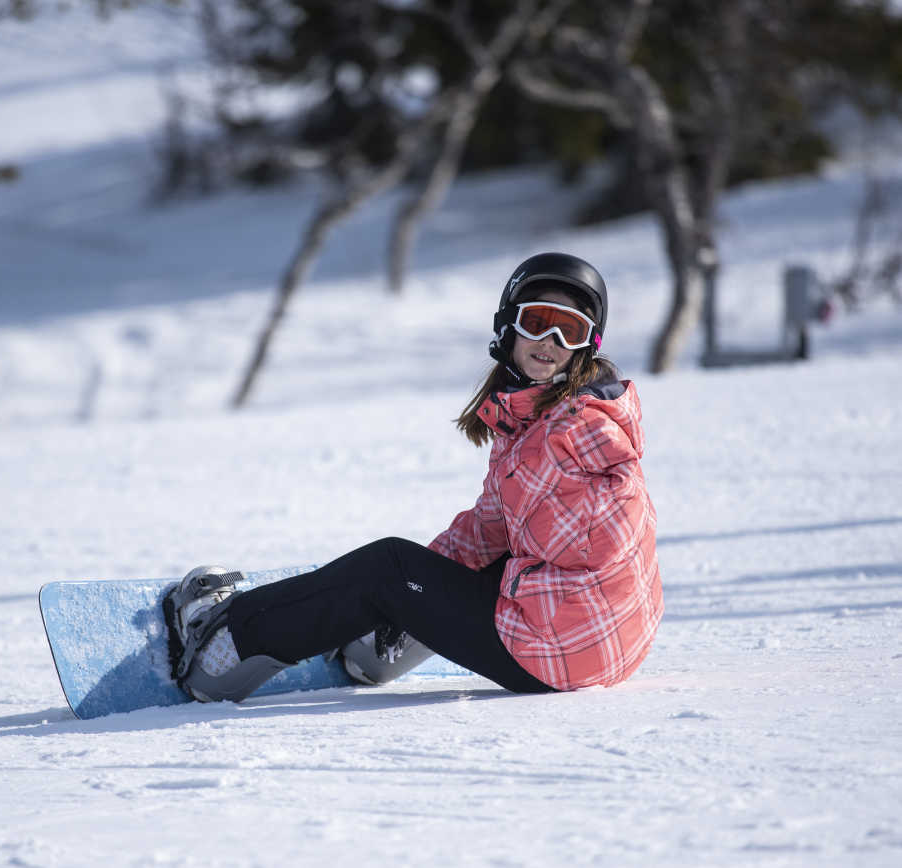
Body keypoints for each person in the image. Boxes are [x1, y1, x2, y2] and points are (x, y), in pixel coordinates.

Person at [165, 252, 663, 702]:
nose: (550, 343)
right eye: (537, 323)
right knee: (436, 566)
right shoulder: (545, 419)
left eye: (568, 331)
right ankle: (377, 649)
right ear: (509, 327)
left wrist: (405, 585)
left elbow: (605, 523)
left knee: (386, 567)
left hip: (562, 648)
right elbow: (491, 526)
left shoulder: (578, 430)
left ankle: (222, 652)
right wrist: (419, 592)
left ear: (586, 347)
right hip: (608, 641)